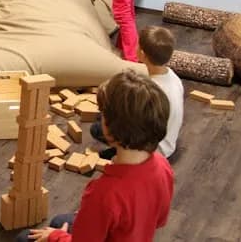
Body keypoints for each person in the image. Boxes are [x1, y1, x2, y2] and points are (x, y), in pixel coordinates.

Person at [17, 69, 174, 242]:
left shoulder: (104, 194)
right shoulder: (163, 166)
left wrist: (56, 236)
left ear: (110, 128)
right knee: (61, 221)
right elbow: (159, 220)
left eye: (103, 115)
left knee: (24, 238)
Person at [91, 25, 184, 159]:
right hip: (168, 142)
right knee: (103, 117)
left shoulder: (151, 91)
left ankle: (125, 153)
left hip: (155, 150)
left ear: (142, 54)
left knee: (97, 128)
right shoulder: (173, 77)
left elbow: (138, 123)